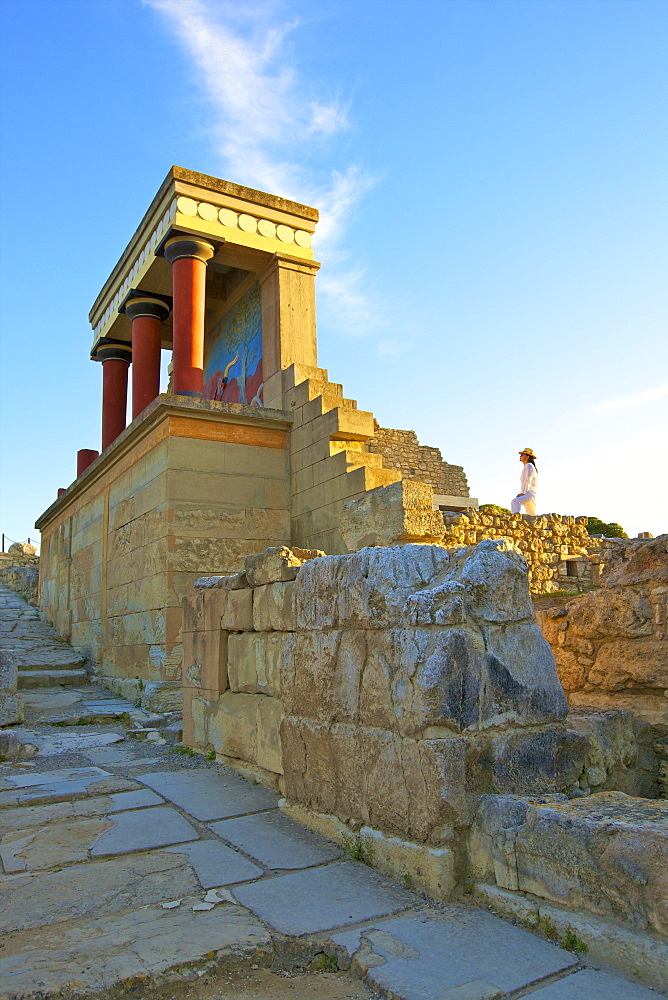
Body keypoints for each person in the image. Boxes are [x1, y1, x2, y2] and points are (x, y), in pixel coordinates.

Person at [511, 448, 538, 514]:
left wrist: (523, 493)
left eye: (522, 454)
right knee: (531, 516)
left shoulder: (529, 466)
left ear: (527, 457)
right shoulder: (529, 466)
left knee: (515, 501)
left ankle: (515, 517)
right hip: (532, 495)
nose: (520, 456)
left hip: (529, 494)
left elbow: (527, 480)